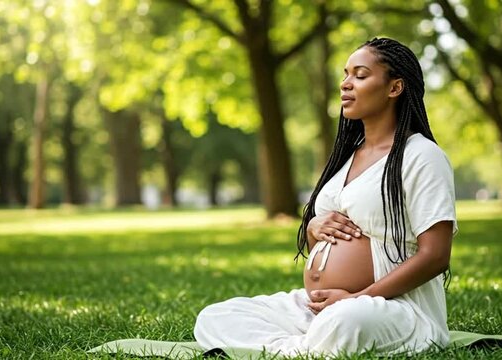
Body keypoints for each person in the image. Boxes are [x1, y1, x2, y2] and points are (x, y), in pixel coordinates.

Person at [193, 37, 458, 356]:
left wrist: (359, 297)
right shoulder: (348, 157)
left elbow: (435, 256)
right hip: (322, 307)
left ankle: (303, 346)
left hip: (391, 309)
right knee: (216, 317)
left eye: (360, 75)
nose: (346, 84)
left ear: (394, 87)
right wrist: (313, 229)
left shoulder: (422, 156)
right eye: (345, 74)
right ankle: (305, 348)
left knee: (345, 323)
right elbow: (322, 244)